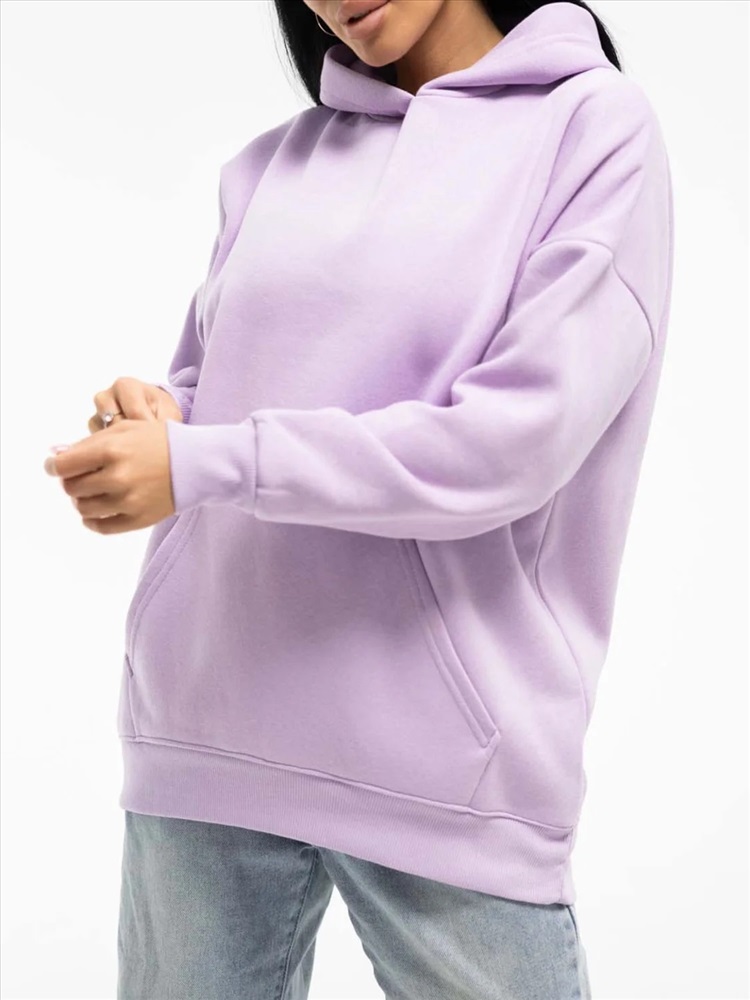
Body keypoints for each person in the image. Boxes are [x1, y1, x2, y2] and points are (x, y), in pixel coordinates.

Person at [44, 0, 674, 996]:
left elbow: (509, 444)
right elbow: (216, 392)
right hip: (205, 724)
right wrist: (162, 419)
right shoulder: (272, 164)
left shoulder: (591, 128)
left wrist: (206, 460)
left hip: (445, 766)